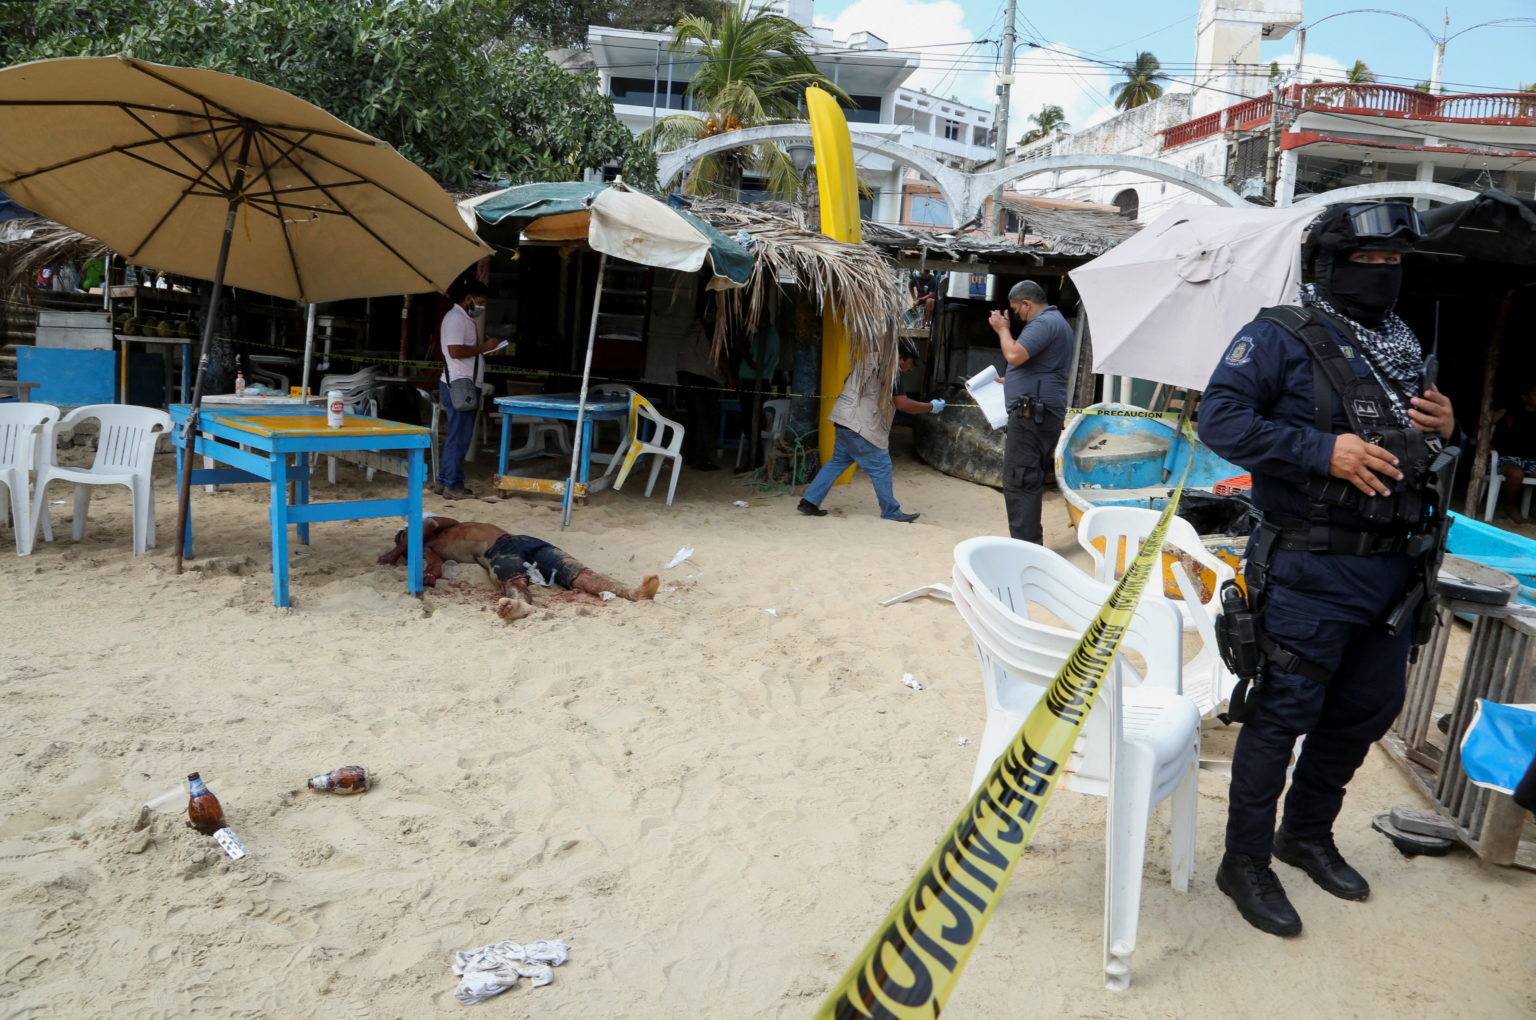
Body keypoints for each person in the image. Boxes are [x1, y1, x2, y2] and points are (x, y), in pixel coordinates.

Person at [1198, 201, 1459, 938]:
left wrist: (1447, 426)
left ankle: (1305, 833)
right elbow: (1218, 420)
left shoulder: (1400, 343)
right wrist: (1325, 451)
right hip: (1310, 567)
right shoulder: (1278, 335)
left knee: (1365, 712)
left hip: (1393, 572)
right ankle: (1243, 860)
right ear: (1328, 267)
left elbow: (1424, 450)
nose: (1382, 277)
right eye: (1366, 264)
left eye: (1393, 265)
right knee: (1281, 716)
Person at [377, 516, 659, 622]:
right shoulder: (430, 549)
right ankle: (520, 606)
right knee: (513, 582)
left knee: (578, 571)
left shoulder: (443, 525)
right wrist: (424, 568)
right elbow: (435, 566)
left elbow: (425, 525)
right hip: (495, 552)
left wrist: (394, 551)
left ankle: (633, 592)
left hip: (519, 540)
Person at [797, 338, 943, 522]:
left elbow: (847, 379)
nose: (911, 368)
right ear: (901, 357)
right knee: (881, 467)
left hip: (843, 421)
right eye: (911, 363)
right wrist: (930, 407)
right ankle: (891, 511)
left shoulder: (868, 359)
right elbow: (902, 404)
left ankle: (809, 501)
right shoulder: (892, 370)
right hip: (861, 426)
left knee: (837, 463)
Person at [987, 279, 1073, 544]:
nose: (1015, 317)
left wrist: (1002, 330)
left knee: (1020, 481)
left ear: (1026, 303)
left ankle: (1026, 550)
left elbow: (1013, 355)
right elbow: (1036, 366)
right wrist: (1011, 380)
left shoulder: (1044, 322)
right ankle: (1029, 546)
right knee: (1027, 479)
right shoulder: (1056, 323)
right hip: (1039, 412)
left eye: (1016, 310)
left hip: (1032, 415)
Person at [437, 280, 501, 499]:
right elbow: (455, 351)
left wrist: (483, 351)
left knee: (457, 434)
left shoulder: (464, 319)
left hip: (463, 383)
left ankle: (445, 481)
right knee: (459, 436)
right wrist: (484, 348)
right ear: (469, 298)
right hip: (460, 384)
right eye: (481, 301)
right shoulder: (455, 319)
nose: (482, 306)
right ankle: (453, 485)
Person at [1492, 383, 1536, 521]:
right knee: (1516, 474)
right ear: (1525, 397)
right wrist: (1485, 444)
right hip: (1506, 458)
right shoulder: (1509, 411)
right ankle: (1511, 507)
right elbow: (1481, 425)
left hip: (1531, 461)